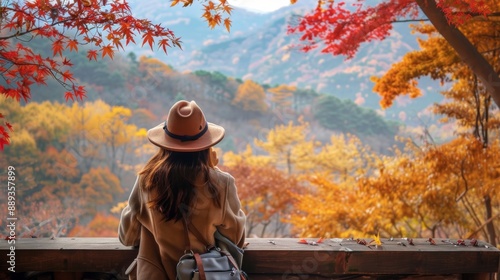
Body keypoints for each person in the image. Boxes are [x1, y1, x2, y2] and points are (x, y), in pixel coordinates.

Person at [118, 100, 246, 279]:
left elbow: (127, 238)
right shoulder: (222, 184)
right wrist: (213, 170)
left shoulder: (146, 181)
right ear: (206, 146)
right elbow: (235, 238)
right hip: (204, 274)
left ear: (165, 144)